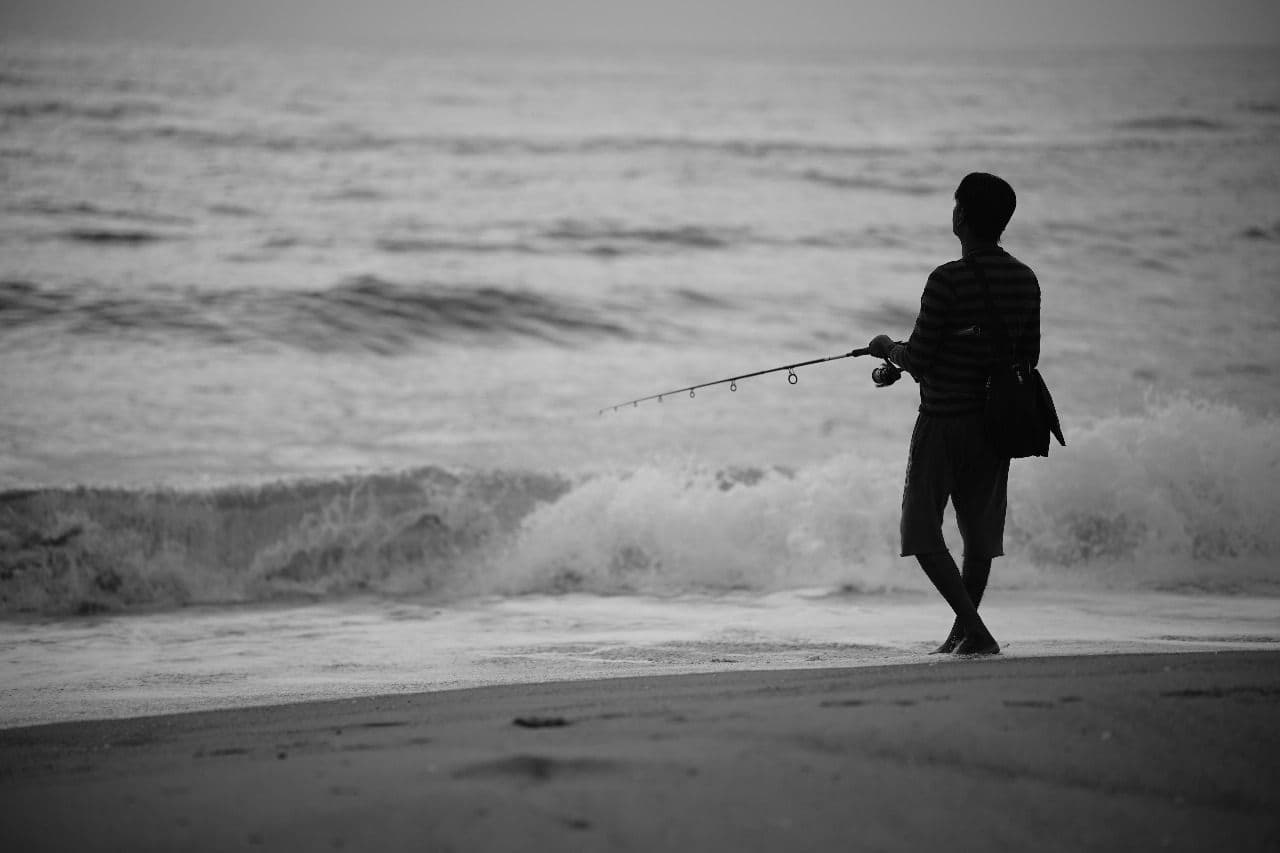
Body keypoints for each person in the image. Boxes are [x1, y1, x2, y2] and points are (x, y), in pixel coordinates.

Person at [867, 172, 1040, 656]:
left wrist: (886, 348)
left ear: (961, 216)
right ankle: (962, 635)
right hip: (995, 424)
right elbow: (1029, 355)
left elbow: (917, 357)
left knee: (921, 533)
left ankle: (975, 632)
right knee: (979, 536)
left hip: (943, 421)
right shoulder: (1025, 279)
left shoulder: (945, 279)